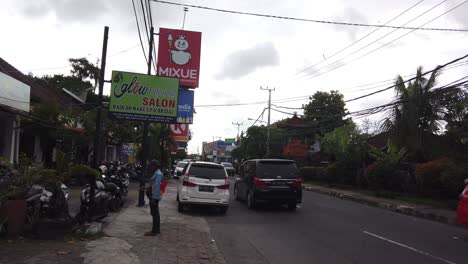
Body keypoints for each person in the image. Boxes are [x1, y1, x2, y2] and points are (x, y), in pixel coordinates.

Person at [145, 160, 163, 236]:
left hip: (154, 197)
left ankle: (155, 231)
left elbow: (157, 188)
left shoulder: (158, 174)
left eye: (151, 166)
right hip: (152, 196)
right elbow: (152, 185)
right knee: (154, 213)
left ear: (155, 166)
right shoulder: (157, 173)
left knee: (155, 213)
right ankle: (156, 230)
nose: (150, 167)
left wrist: (154, 198)